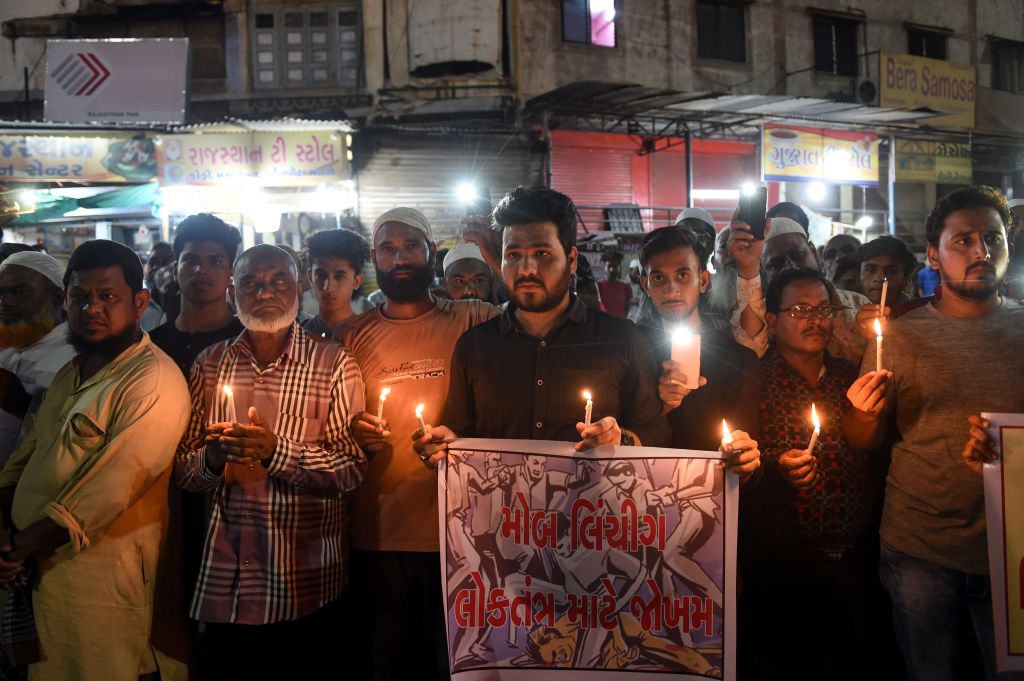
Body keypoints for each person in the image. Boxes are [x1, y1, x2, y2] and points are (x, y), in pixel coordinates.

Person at [844, 186, 1024, 681]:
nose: (982, 252)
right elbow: (863, 440)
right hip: (920, 547)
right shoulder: (898, 335)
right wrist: (862, 411)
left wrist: (1009, 449)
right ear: (933, 255)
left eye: (993, 238)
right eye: (962, 240)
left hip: (1013, 547)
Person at [0, 239, 191, 681]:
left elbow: (109, 491)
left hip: (96, 584)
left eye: (108, 297)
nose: (92, 308)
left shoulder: (154, 380)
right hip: (34, 575)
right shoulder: (73, 371)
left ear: (140, 302)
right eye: (80, 296)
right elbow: (25, 456)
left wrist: (19, 548)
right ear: (63, 301)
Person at [176, 244, 367, 681]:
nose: (265, 292)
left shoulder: (333, 364)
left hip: (302, 580)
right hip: (227, 579)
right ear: (232, 295)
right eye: (250, 283)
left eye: (279, 281)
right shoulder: (209, 365)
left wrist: (274, 451)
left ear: (300, 289)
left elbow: (352, 471)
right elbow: (184, 473)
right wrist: (214, 456)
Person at [343, 207, 499, 681]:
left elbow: (532, 325)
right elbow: (334, 430)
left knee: (457, 665)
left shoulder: (475, 318)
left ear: (432, 251)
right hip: (381, 533)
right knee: (390, 663)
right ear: (374, 259)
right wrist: (356, 435)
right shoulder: (352, 336)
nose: (401, 258)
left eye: (411, 246)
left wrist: (494, 253)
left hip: (466, 535)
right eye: (388, 249)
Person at [419, 186, 670, 461]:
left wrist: (620, 438)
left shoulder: (622, 339)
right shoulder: (475, 346)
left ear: (571, 260)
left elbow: (657, 431)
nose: (526, 268)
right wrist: (442, 447)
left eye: (542, 253)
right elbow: (458, 434)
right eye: (513, 255)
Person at [741, 268, 891, 681]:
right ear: (772, 321)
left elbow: (865, 443)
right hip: (779, 568)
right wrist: (777, 466)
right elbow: (737, 455)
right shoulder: (750, 379)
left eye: (824, 309)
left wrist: (868, 411)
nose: (816, 320)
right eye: (801, 309)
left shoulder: (849, 376)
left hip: (852, 564)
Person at [636, 226, 761, 462]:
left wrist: (744, 465)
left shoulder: (736, 360)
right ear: (645, 285)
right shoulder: (628, 350)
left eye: (683, 275)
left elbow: (746, 453)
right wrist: (658, 407)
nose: (671, 289)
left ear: (703, 280)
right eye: (658, 277)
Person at [729, 215, 873, 364]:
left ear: (814, 252)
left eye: (796, 255)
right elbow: (748, 355)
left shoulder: (858, 303)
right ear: (764, 272)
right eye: (776, 263)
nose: (791, 266)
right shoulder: (761, 315)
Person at [0, 252, 75, 466]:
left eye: (20, 292)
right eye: (1, 293)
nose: (6, 302)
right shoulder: (11, 346)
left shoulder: (73, 359)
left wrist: (20, 403)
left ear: (57, 297)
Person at [150, 214, 244, 376]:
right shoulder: (152, 345)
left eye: (215, 262)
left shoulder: (246, 342)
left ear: (230, 273)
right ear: (174, 271)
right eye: (191, 260)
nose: (201, 270)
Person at [301, 227, 370, 340]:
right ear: (310, 277)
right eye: (321, 275)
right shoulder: (299, 337)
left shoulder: (368, 336)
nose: (328, 287)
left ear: (357, 281)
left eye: (339, 277)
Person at [856, 235, 917, 312]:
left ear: (906, 281)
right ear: (858, 278)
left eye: (891, 272)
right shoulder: (843, 318)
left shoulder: (920, 321)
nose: (879, 278)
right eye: (871, 270)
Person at [597, 251, 631, 317]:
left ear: (619, 268)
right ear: (604, 267)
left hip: (621, 325)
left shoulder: (626, 287)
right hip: (603, 325)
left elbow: (627, 309)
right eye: (609, 266)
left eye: (615, 266)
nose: (612, 269)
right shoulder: (598, 286)